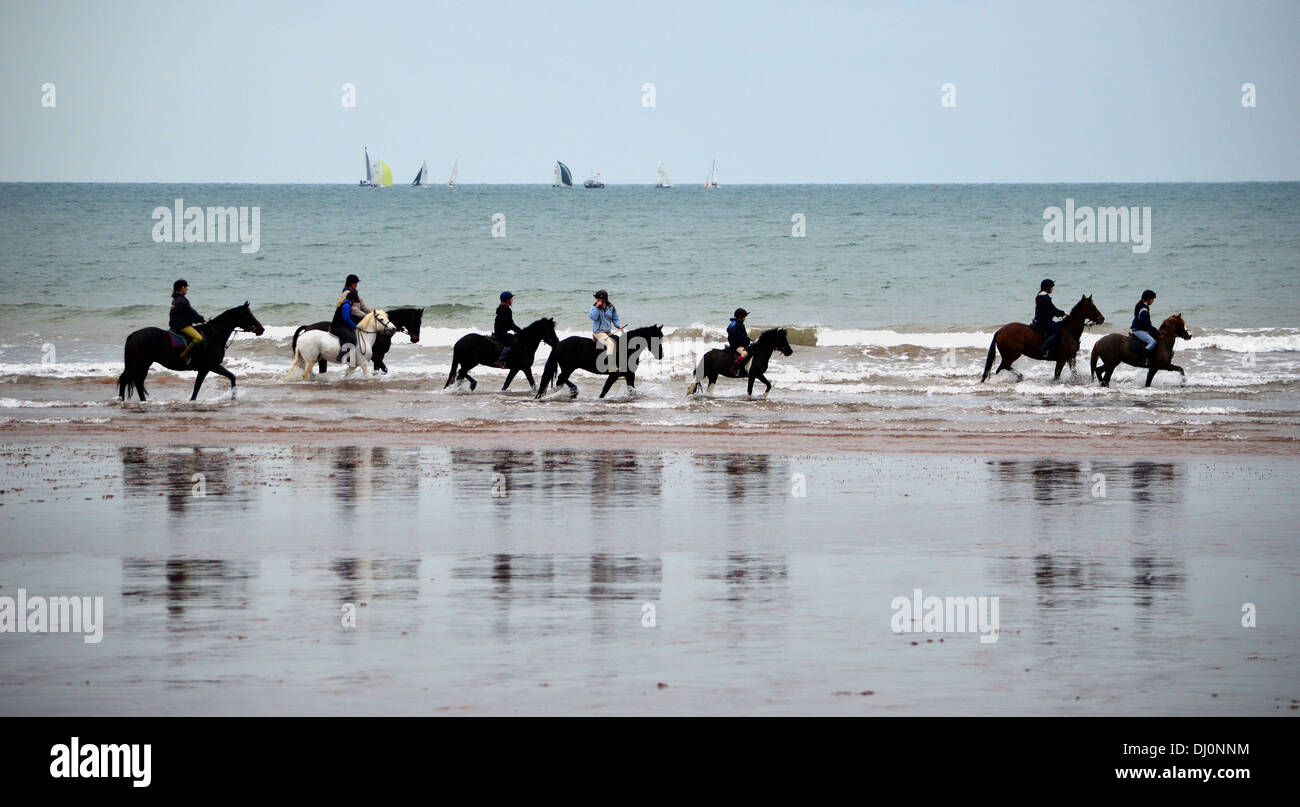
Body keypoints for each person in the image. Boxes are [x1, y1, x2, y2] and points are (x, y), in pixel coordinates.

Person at [170, 279, 206, 365]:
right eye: (186, 287)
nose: (187, 289)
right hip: (181, 325)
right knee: (198, 338)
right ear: (182, 288)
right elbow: (191, 312)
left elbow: (187, 313)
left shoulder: (176, 299)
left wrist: (197, 319)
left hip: (175, 324)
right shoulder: (182, 300)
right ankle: (184, 355)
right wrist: (201, 319)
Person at [331, 274, 364, 363]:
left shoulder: (349, 301)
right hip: (338, 325)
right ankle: (340, 355)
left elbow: (362, 306)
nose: (356, 284)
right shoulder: (346, 305)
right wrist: (354, 326)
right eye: (355, 283)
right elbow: (346, 318)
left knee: (354, 337)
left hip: (343, 323)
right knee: (350, 338)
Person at [1033, 278, 1066, 358]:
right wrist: (1064, 313)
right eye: (1051, 287)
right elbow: (1053, 310)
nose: (1052, 289)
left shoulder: (1041, 295)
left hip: (1041, 319)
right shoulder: (1045, 298)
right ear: (1047, 288)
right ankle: (1043, 349)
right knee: (1058, 331)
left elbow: (1050, 311)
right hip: (1043, 321)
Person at [1130, 290, 1159, 365]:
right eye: (1152, 299)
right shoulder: (1144, 309)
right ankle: (1142, 359)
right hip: (1138, 330)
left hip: (1140, 329)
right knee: (1153, 342)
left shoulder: (1142, 306)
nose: (1153, 301)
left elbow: (1147, 325)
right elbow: (1147, 325)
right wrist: (1156, 330)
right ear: (1148, 299)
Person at [590, 289, 623, 354]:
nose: (597, 300)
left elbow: (615, 319)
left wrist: (619, 325)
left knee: (617, 341)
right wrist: (597, 308)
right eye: (596, 298)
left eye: (598, 299)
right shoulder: (594, 307)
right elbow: (593, 317)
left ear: (604, 299)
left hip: (608, 331)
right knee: (610, 344)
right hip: (598, 332)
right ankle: (609, 363)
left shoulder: (611, 308)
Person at [494, 291, 521, 367]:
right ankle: (500, 361)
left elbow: (508, 323)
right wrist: (519, 330)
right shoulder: (506, 309)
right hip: (501, 333)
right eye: (511, 299)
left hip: (499, 332)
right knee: (513, 343)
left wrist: (516, 329)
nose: (512, 300)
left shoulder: (501, 308)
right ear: (507, 300)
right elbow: (510, 324)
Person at [727, 308, 753, 376]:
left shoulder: (740, 324)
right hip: (736, 345)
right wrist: (748, 342)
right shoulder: (736, 325)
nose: (745, 318)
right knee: (744, 353)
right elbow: (740, 338)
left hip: (740, 343)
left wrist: (749, 340)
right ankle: (734, 368)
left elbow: (744, 336)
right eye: (744, 317)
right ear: (740, 317)